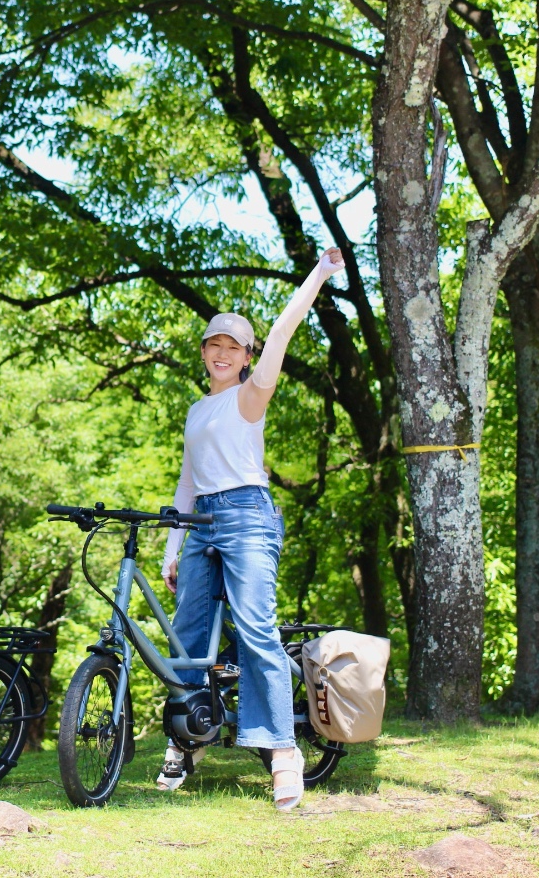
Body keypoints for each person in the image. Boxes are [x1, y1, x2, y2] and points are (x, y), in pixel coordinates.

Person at [157, 248, 345, 810]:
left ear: (246, 358)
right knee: (187, 639)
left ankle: (282, 752)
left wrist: (319, 272)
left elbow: (284, 331)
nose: (221, 354)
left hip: (247, 515)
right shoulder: (196, 412)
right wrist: (173, 548)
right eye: (213, 345)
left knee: (254, 630)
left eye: (232, 347)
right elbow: (186, 484)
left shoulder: (249, 396)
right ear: (204, 353)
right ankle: (188, 740)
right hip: (202, 521)